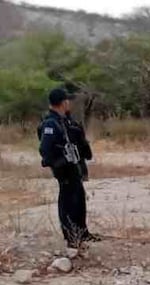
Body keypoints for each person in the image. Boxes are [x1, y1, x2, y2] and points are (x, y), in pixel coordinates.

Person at [38, 88, 100, 249]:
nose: (69, 103)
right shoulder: (50, 123)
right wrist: (59, 163)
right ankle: (71, 236)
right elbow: (45, 150)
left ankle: (82, 232)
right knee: (68, 200)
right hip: (64, 169)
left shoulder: (65, 120)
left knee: (78, 198)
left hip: (73, 166)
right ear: (63, 102)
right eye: (67, 100)